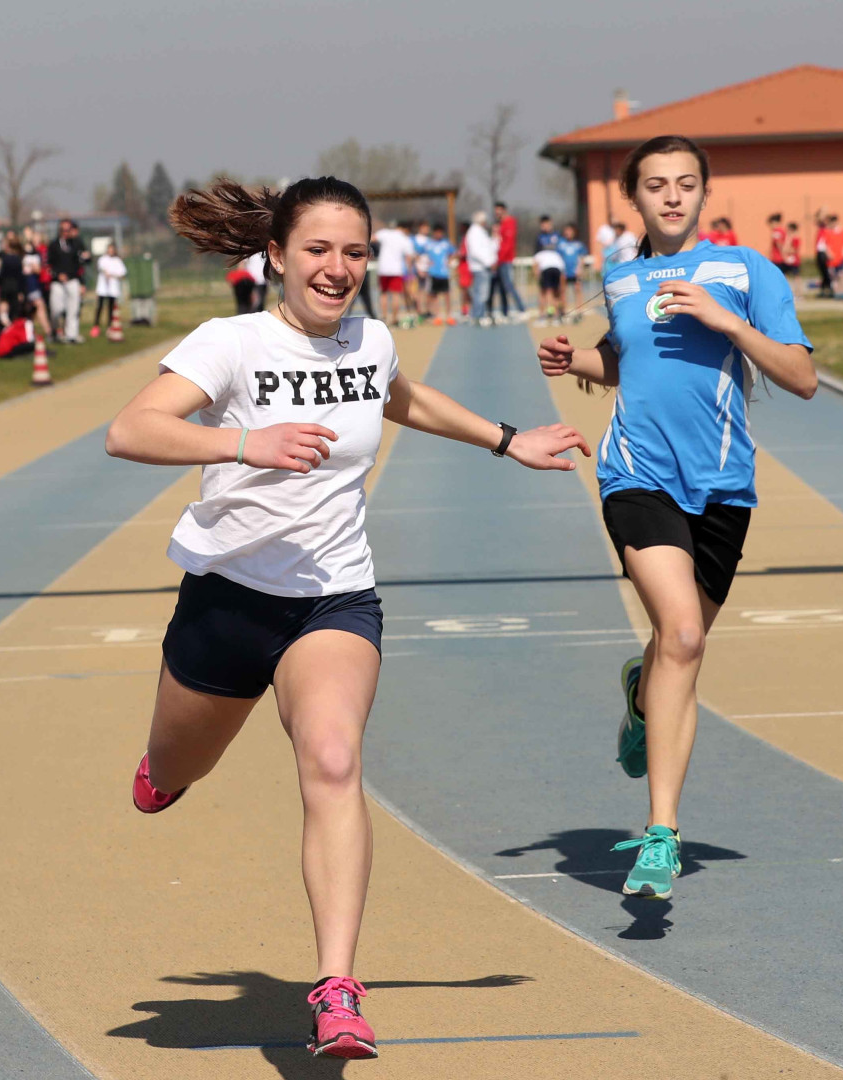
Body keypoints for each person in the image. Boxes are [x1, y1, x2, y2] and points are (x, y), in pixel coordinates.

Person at [110, 175, 589, 1059]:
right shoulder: (232, 343)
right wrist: (244, 441)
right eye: (319, 251)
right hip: (227, 600)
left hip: (333, 599)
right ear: (278, 257)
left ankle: (336, 988)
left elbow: (396, 396)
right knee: (178, 763)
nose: (338, 269)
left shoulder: (370, 338)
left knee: (333, 760)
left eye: (355, 252)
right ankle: (166, 768)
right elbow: (130, 430)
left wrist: (506, 438)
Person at [538, 135, 815, 903]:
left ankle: (639, 692)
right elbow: (628, 364)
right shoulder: (621, 277)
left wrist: (728, 323)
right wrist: (577, 364)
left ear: (703, 193)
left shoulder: (747, 271)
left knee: (675, 648)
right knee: (685, 636)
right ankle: (661, 831)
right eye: (655, 185)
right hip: (636, 474)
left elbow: (801, 377)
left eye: (685, 183)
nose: (671, 196)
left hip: (723, 485)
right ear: (635, 198)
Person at [48, 219, 90, 343]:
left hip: (73, 280)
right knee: (56, 309)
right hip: (57, 282)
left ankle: (71, 335)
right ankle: (55, 330)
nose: (66, 233)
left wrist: (82, 283)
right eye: (63, 230)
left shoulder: (77, 243)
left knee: (73, 309)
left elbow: (84, 262)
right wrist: (57, 274)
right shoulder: (54, 245)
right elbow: (49, 264)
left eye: (68, 230)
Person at [370, 219, 414, 328]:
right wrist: (409, 271)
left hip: (383, 268)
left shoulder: (385, 233)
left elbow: (372, 238)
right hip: (396, 270)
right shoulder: (405, 238)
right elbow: (409, 257)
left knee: (383, 294)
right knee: (395, 295)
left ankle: (384, 317)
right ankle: (394, 319)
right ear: (405, 229)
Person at [463, 211, 497, 325]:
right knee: (481, 293)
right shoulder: (474, 233)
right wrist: (489, 262)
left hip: (484, 266)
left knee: (481, 293)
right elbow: (475, 252)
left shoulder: (481, 232)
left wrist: (495, 238)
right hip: (480, 267)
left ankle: (479, 314)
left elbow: (489, 247)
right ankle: (477, 316)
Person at [490, 202, 520, 321]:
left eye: (499, 211)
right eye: (496, 211)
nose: (497, 213)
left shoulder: (509, 222)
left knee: (509, 285)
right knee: (501, 287)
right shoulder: (501, 224)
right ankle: (505, 311)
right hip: (500, 260)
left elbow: (507, 244)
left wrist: (500, 259)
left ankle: (521, 309)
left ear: (504, 210)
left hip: (505, 260)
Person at [94, 242, 128, 333]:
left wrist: (113, 275)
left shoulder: (117, 260)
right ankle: (96, 325)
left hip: (113, 288)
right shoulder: (103, 259)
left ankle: (109, 326)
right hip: (103, 287)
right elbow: (101, 268)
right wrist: (106, 273)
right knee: (100, 306)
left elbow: (122, 273)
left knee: (110, 307)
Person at [557, 223, 588, 316]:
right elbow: (558, 256)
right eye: (566, 230)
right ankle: (564, 310)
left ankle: (579, 310)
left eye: (570, 231)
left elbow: (582, 257)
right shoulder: (561, 243)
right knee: (562, 290)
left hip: (575, 271)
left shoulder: (579, 244)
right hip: (564, 271)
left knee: (577, 289)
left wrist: (580, 268)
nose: (568, 233)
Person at [531, 241, 564, 324]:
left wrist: (538, 277)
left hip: (546, 270)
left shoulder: (539, 254)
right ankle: (556, 315)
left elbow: (535, 266)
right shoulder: (556, 254)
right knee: (556, 293)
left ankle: (543, 316)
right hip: (557, 270)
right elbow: (562, 269)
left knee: (545, 293)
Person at [821, 214, 843, 300]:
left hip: (840, 258)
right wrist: (828, 253)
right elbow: (824, 245)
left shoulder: (842, 232)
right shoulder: (827, 232)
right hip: (831, 260)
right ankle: (836, 292)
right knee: (834, 277)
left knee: (842, 275)